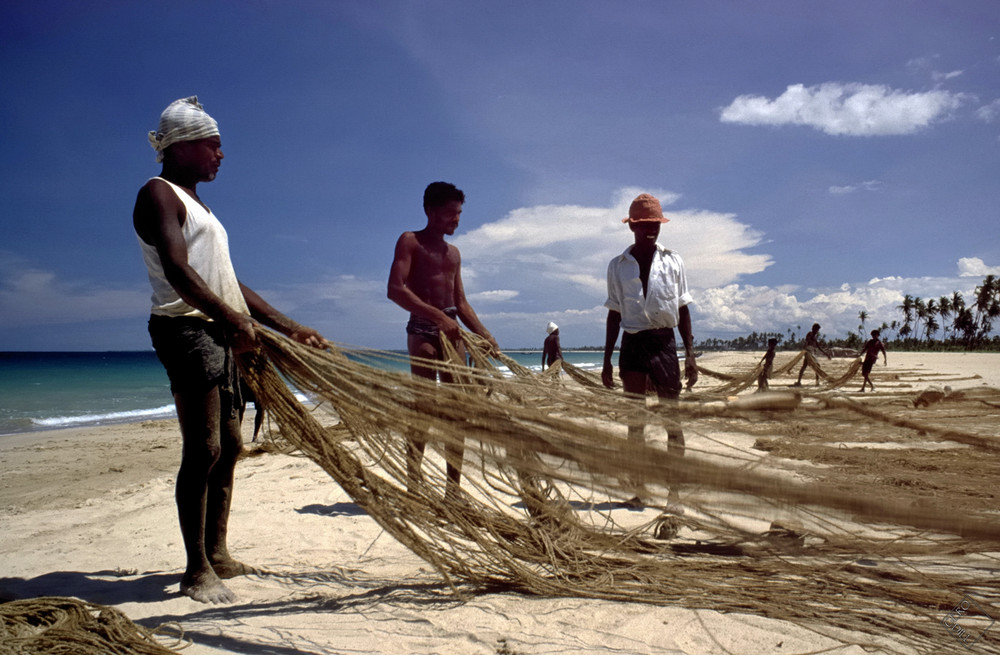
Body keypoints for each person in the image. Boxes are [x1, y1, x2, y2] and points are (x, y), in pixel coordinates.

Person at [133, 97, 327, 604]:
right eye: (214, 145)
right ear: (184, 145)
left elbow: (229, 281)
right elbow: (179, 272)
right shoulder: (158, 194)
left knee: (232, 446)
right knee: (204, 448)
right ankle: (196, 569)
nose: (222, 154)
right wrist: (231, 318)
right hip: (187, 329)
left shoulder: (201, 206)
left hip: (218, 328)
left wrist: (288, 326)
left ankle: (217, 552)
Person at [387, 181, 499, 501]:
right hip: (422, 330)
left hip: (453, 334)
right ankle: (414, 484)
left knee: (456, 411)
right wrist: (438, 318)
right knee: (424, 408)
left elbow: (461, 304)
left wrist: (485, 334)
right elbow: (396, 289)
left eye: (459, 214)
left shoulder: (454, 254)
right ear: (430, 211)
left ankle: (453, 490)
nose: (456, 220)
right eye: (450, 213)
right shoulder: (410, 241)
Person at [601, 193, 697, 508]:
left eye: (654, 223)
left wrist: (690, 355)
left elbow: (683, 310)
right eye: (643, 225)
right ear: (632, 227)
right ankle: (639, 489)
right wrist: (606, 361)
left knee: (672, 421)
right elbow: (614, 313)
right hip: (632, 344)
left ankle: (675, 495)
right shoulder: (618, 266)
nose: (650, 230)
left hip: (664, 343)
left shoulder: (674, 260)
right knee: (635, 422)